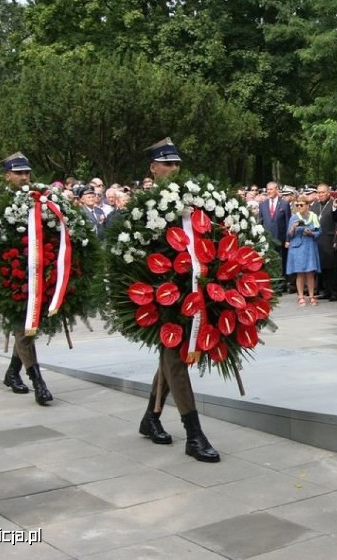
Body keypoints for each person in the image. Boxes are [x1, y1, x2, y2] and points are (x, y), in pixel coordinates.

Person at [136, 137, 220, 463]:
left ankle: (151, 417)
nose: (173, 169)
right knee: (175, 357)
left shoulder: (190, 203)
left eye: (176, 164)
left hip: (192, 291)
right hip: (158, 297)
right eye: (166, 164)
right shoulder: (145, 206)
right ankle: (194, 434)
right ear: (153, 167)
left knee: (170, 360)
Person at [0, 153, 54, 404]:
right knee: (24, 329)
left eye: (26, 173)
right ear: (7, 175)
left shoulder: (38, 200)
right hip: (12, 276)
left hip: (37, 274)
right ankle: (38, 381)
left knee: (27, 328)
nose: (23, 177)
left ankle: (12, 372)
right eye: (18, 173)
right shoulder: (0, 205)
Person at [286, 194, 322, 305]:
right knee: (300, 273)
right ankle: (300, 296)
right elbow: (289, 234)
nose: (299, 207)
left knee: (310, 273)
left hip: (310, 246)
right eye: (297, 205)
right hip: (297, 247)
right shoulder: (294, 217)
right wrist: (293, 227)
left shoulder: (314, 216)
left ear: (307, 205)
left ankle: (311, 296)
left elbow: (319, 231)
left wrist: (311, 233)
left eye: (301, 205)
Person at [310, 183, 337, 301]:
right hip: (318, 239)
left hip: (329, 239)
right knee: (322, 267)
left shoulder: (334, 204)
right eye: (318, 193)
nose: (320, 195)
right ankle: (326, 290)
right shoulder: (315, 206)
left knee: (332, 267)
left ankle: (335, 292)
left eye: (323, 192)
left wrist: (336, 239)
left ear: (328, 193)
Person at [260, 181, 292, 292]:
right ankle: (272, 284)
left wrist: (288, 239)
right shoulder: (263, 205)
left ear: (277, 190)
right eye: (267, 189)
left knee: (280, 261)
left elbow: (288, 222)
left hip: (280, 238)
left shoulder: (284, 204)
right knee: (269, 261)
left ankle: (281, 285)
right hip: (267, 239)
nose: (269, 191)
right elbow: (260, 222)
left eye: (271, 189)